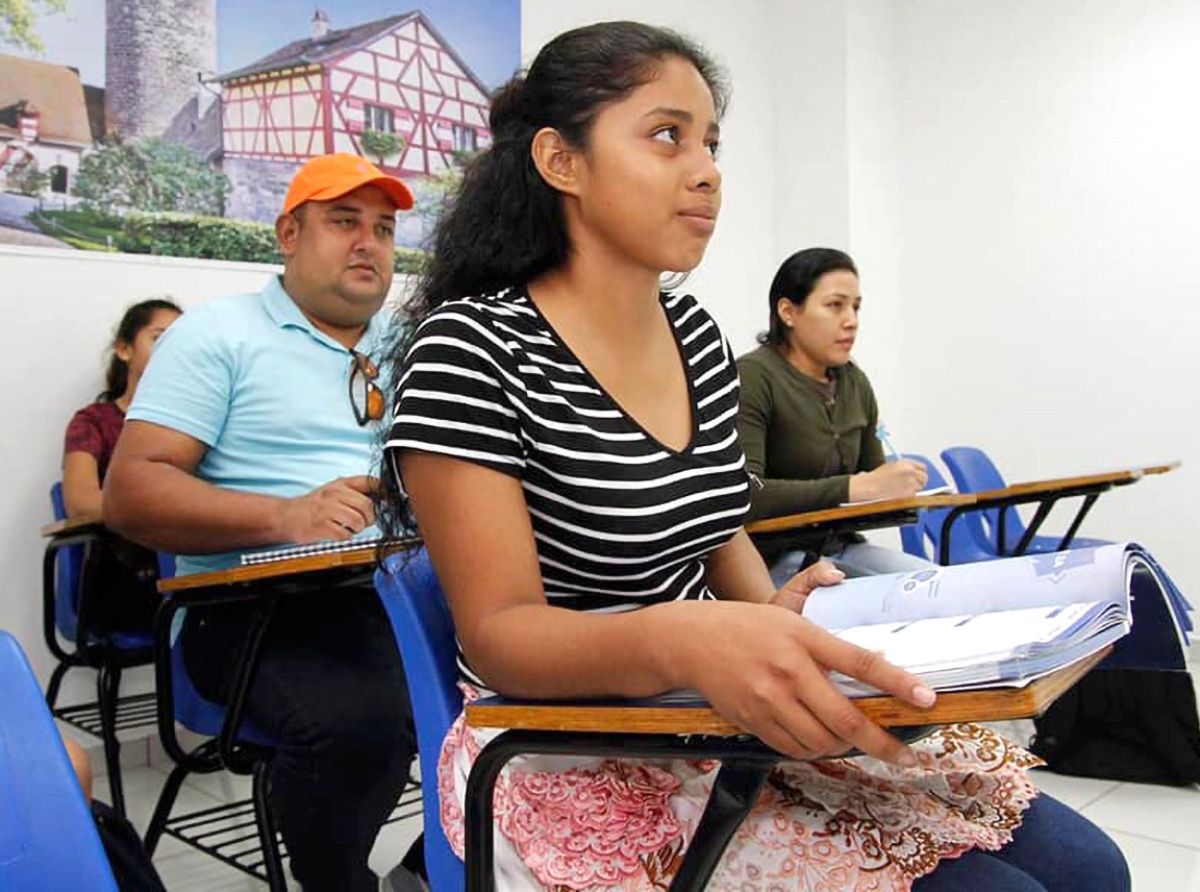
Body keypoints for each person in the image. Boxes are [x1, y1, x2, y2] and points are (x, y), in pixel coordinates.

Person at [379, 21, 1129, 892]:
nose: (706, 171)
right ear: (562, 161)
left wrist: (777, 619)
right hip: (564, 750)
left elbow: (715, 527)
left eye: (712, 143)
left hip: (700, 714)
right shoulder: (472, 349)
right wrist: (690, 639)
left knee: (1092, 868)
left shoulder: (692, 334)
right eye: (667, 136)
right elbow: (502, 635)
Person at [103, 153, 418, 892]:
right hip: (250, 611)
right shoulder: (218, 336)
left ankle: (428, 868)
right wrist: (288, 515)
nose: (368, 242)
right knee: (360, 720)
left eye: (384, 228)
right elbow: (130, 496)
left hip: (389, 592)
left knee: (531, 675)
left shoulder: (406, 347)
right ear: (288, 233)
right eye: (344, 222)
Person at [737, 248, 934, 586]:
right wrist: (854, 487)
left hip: (842, 548)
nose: (851, 320)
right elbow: (747, 492)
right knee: (904, 598)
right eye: (835, 305)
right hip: (774, 560)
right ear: (788, 312)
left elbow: (873, 478)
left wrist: (896, 487)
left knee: (935, 584)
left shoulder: (853, 381)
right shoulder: (753, 377)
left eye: (856, 306)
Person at [61, 299, 182, 632]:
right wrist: (177, 506)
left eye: (182, 339)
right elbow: (79, 502)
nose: (174, 349)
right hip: (126, 574)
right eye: (160, 338)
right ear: (124, 349)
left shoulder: (196, 426)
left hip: (194, 564)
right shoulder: (94, 423)